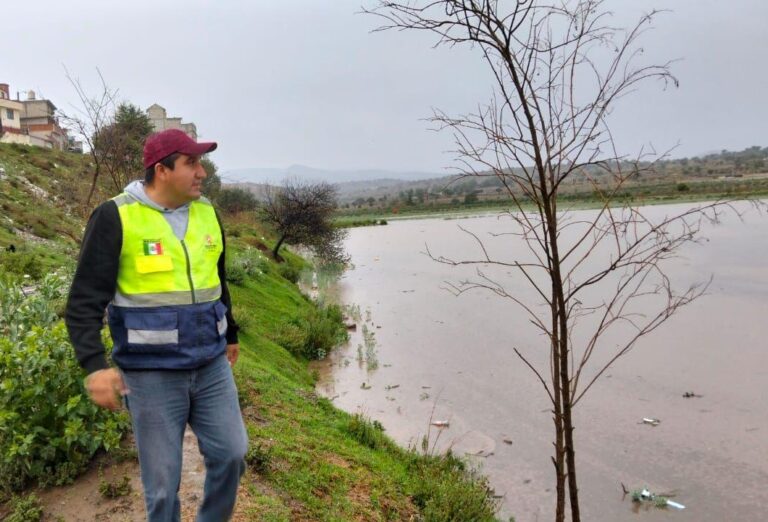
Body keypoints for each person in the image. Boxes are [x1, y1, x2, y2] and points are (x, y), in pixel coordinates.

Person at [65, 129, 248, 522]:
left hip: (210, 365)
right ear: (161, 170)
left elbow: (217, 280)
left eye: (201, 163)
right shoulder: (115, 216)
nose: (202, 172)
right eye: (192, 163)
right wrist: (95, 365)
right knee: (162, 486)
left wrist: (229, 331)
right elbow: (83, 301)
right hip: (151, 373)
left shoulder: (207, 213)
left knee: (232, 454)